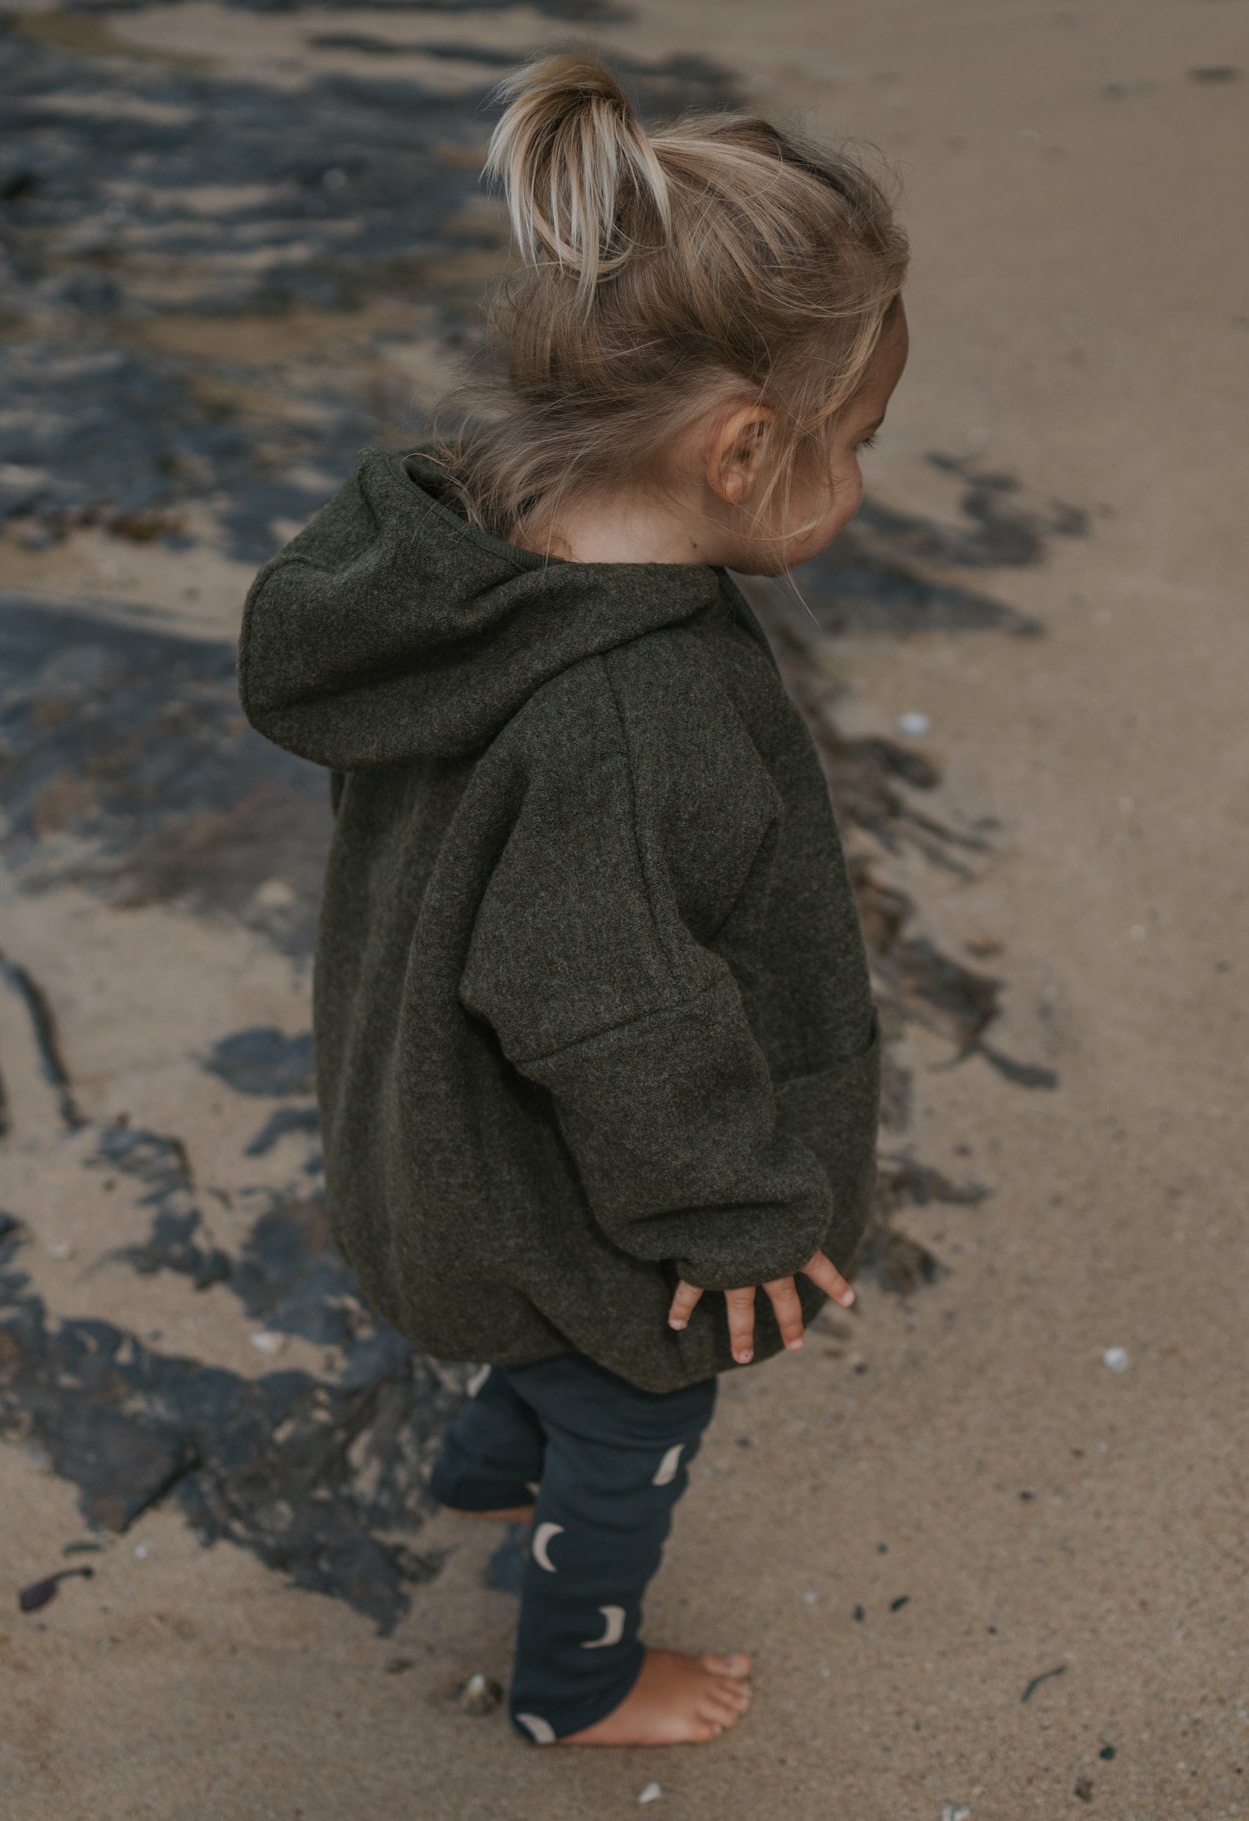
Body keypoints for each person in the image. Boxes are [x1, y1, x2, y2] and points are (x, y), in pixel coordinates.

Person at [236, 44, 909, 1749]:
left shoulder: (469, 566)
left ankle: (484, 1456)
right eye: (859, 443)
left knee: (527, 1360)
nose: (864, 479)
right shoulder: (627, 704)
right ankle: (576, 1676)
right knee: (634, 1428)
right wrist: (741, 1214)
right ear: (747, 448)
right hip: (577, 1209)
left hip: (431, 1135)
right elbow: (606, 1002)